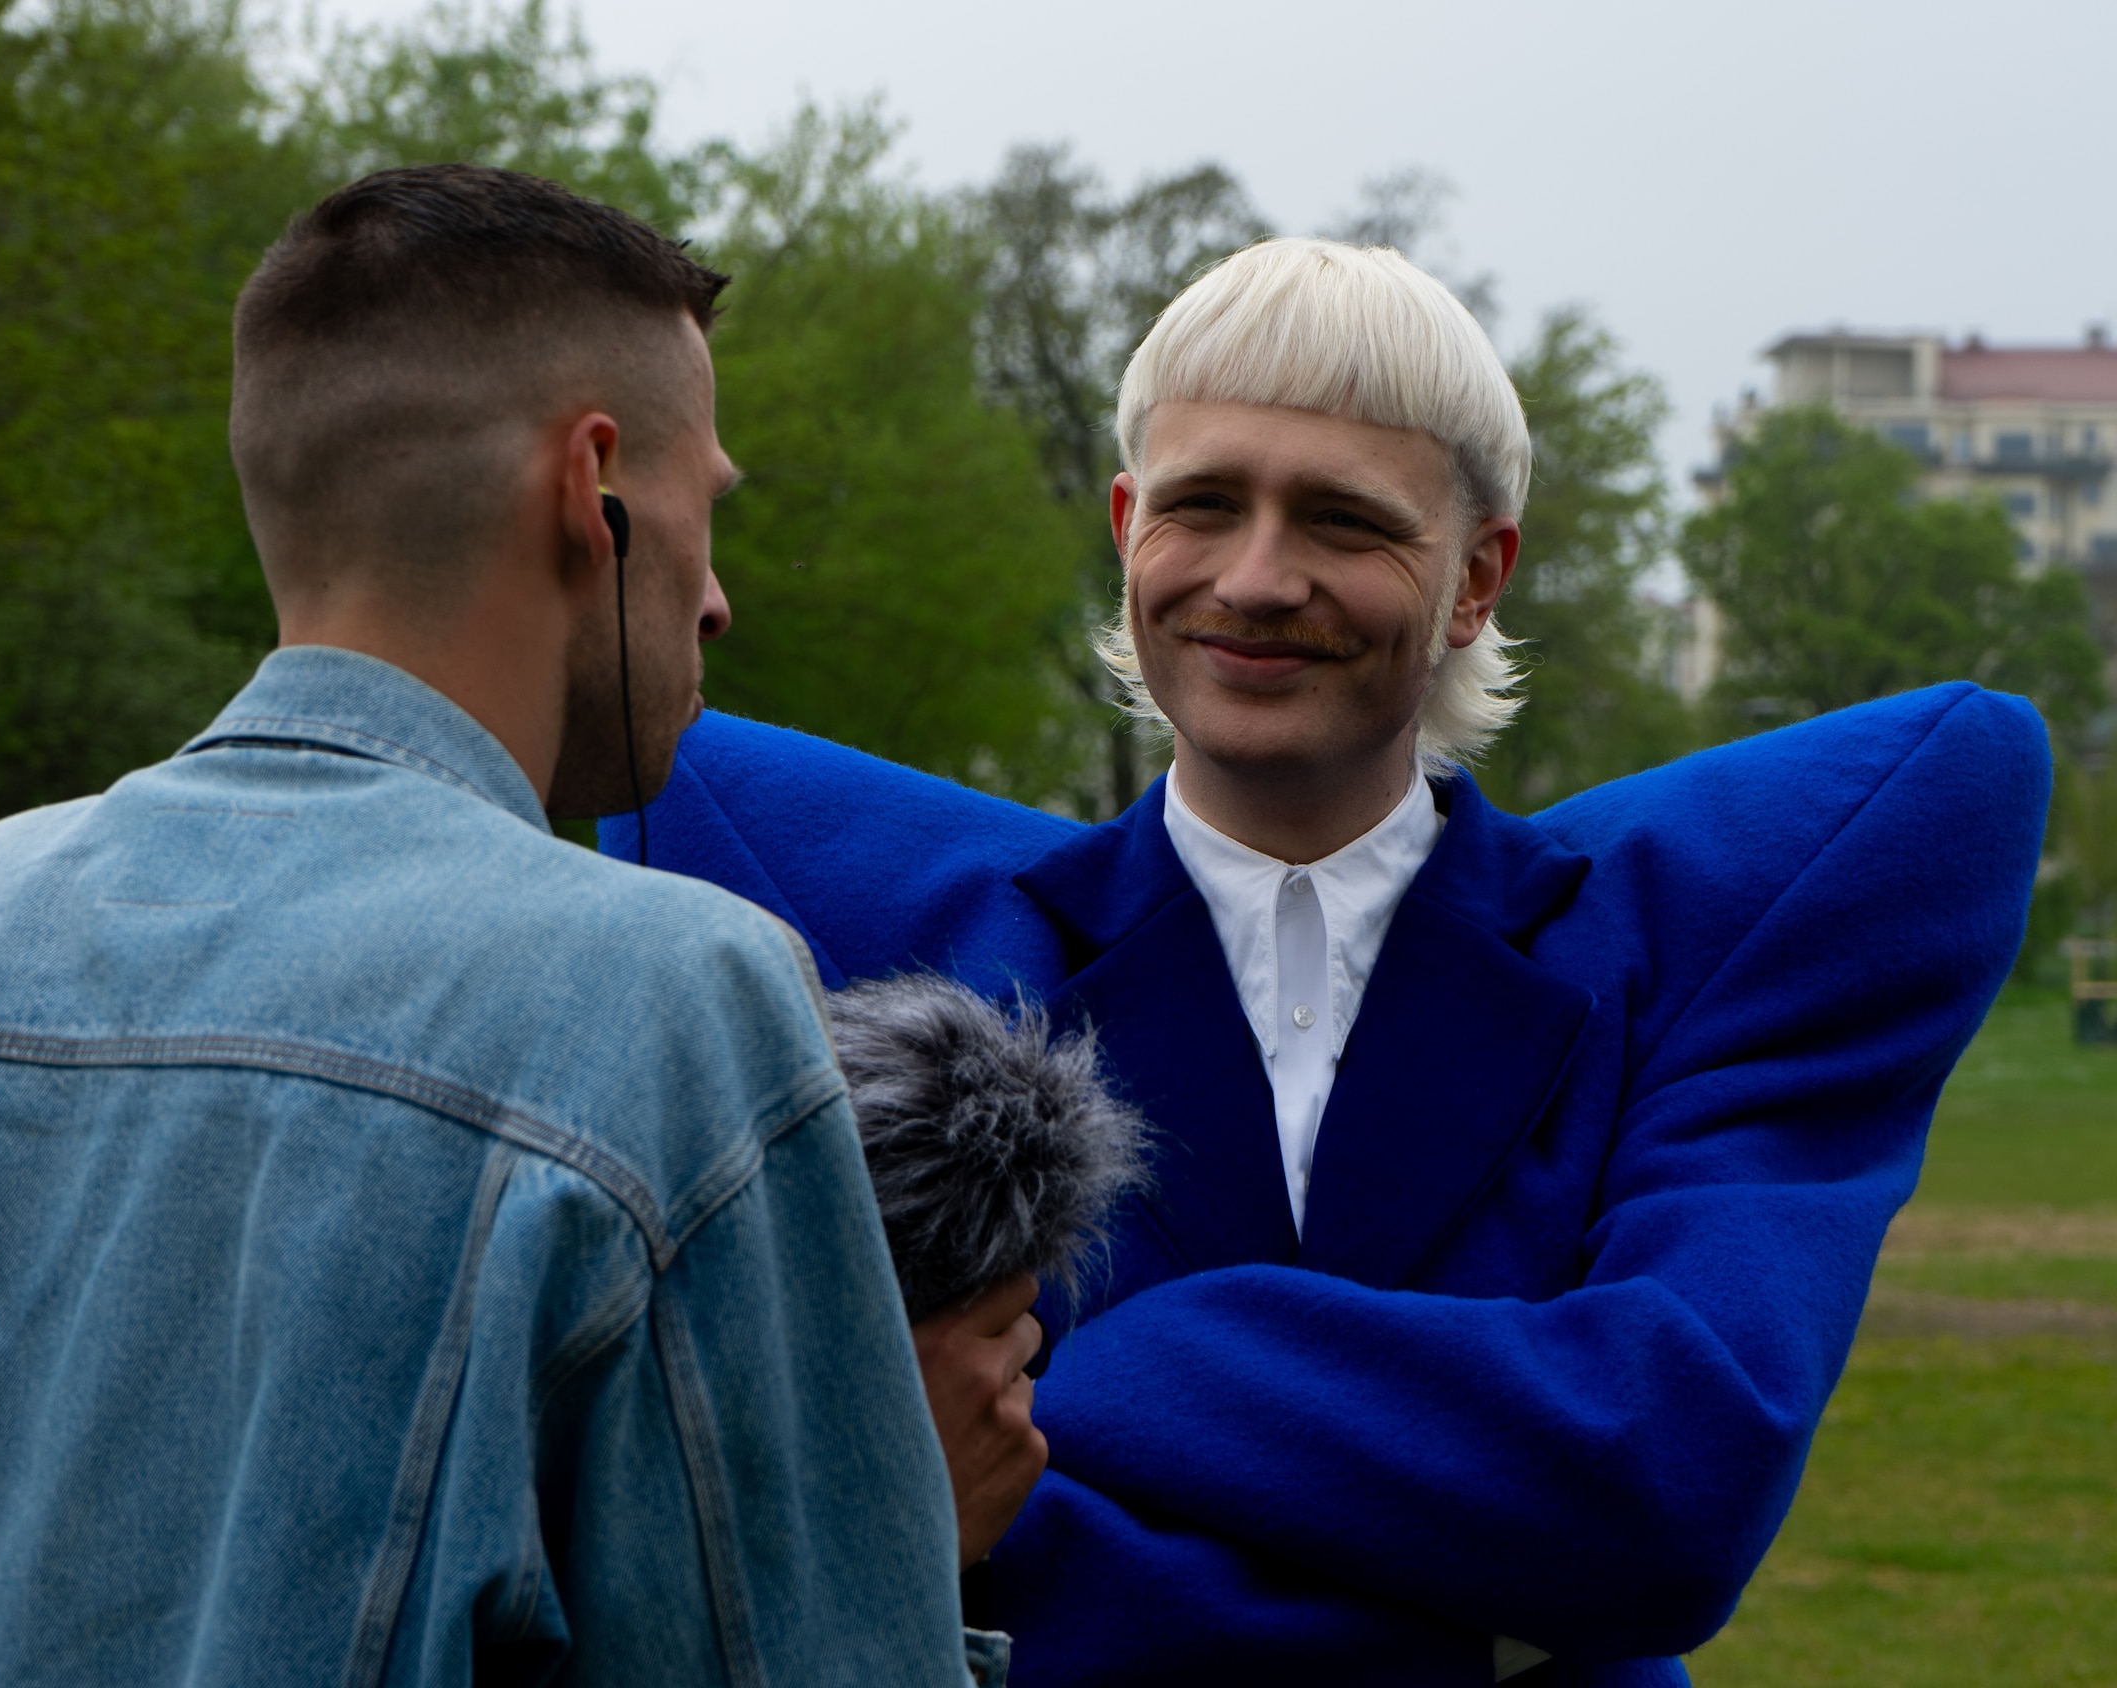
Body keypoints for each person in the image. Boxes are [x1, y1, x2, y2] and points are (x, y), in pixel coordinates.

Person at [602, 238, 2052, 1685]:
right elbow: (699, 1497)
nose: (1257, 576)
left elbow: (1662, 1486)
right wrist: (1488, 1615)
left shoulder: (1655, 971)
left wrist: (1079, 1393)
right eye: (1203, 505)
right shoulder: (889, 933)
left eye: (1346, 524)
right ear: (1125, 529)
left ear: (1478, 576)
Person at [0, 164, 1041, 1687]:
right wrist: (899, 1522)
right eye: (700, 509)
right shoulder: (671, 990)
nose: (716, 596)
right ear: (587, 491)